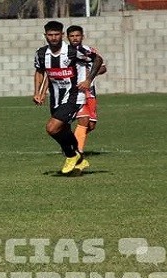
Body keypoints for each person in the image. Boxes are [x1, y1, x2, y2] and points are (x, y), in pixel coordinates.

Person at [33, 21, 103, 174]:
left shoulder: (73, 51)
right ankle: (78, 157)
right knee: (62, 130)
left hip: (74, 96)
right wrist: (38, 92)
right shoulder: (41, 53)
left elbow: (98, 60)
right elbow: (40, 71)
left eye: (56, 34)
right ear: (45, 36)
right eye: (50, 35)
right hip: (56, 97)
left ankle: (71, 155)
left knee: (51, 128)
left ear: (62, 35)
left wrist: (88, 80)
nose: (53, 38)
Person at [65, 25, 107, 155]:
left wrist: (90, 75)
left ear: (82, 36)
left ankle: (71, 141)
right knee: (83, 119)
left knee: (91, 125)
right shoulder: (65, 53)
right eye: (72, 36)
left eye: (77, 35)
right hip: (75, 91)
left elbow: (103, 67)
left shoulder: (89, 51)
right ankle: (76, 151)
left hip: (91, 90)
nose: (75, 38)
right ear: (68, 38)